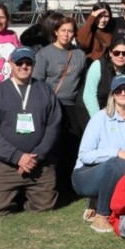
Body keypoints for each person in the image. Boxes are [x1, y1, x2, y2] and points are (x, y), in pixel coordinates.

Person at [0, 46, 62, 216]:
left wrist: (36, 156)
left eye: (28, 62)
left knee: (44, 208)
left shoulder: (45, 90)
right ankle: (14, 194)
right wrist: (17, 157)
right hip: (5, 164)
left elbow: (53, 126)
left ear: (33, 64)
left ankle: (24, 195)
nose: (23, 66)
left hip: (39, 163)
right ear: (11, 63)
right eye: (19, 62)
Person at [75, 74, 125, 233]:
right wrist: (117, 152)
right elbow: (84, 155)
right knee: (118, 163)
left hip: (123, 172)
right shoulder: (99, 118)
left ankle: (99, 203)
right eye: (118, 90)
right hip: (85, 175)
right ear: (112, 95)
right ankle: (102, 216)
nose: (123, 93)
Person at [32, 13, 86, 195]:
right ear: (56, 32)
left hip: (72, 107)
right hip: (52, 105)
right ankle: (50, 185)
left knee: (71, 146)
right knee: (52, 146)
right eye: (63, 30)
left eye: (70, 31)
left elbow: (82, 81)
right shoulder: (44, 54)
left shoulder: (79, 55)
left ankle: (69, 185)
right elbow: (37, 82)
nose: (67, 34)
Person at [82, 38, 125, 118]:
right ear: (110, 53)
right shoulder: (98, 66)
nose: (121, 56)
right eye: (116, 53)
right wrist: (99, 119)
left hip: (118, 113)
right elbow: (89, 96)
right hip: (92, 110)